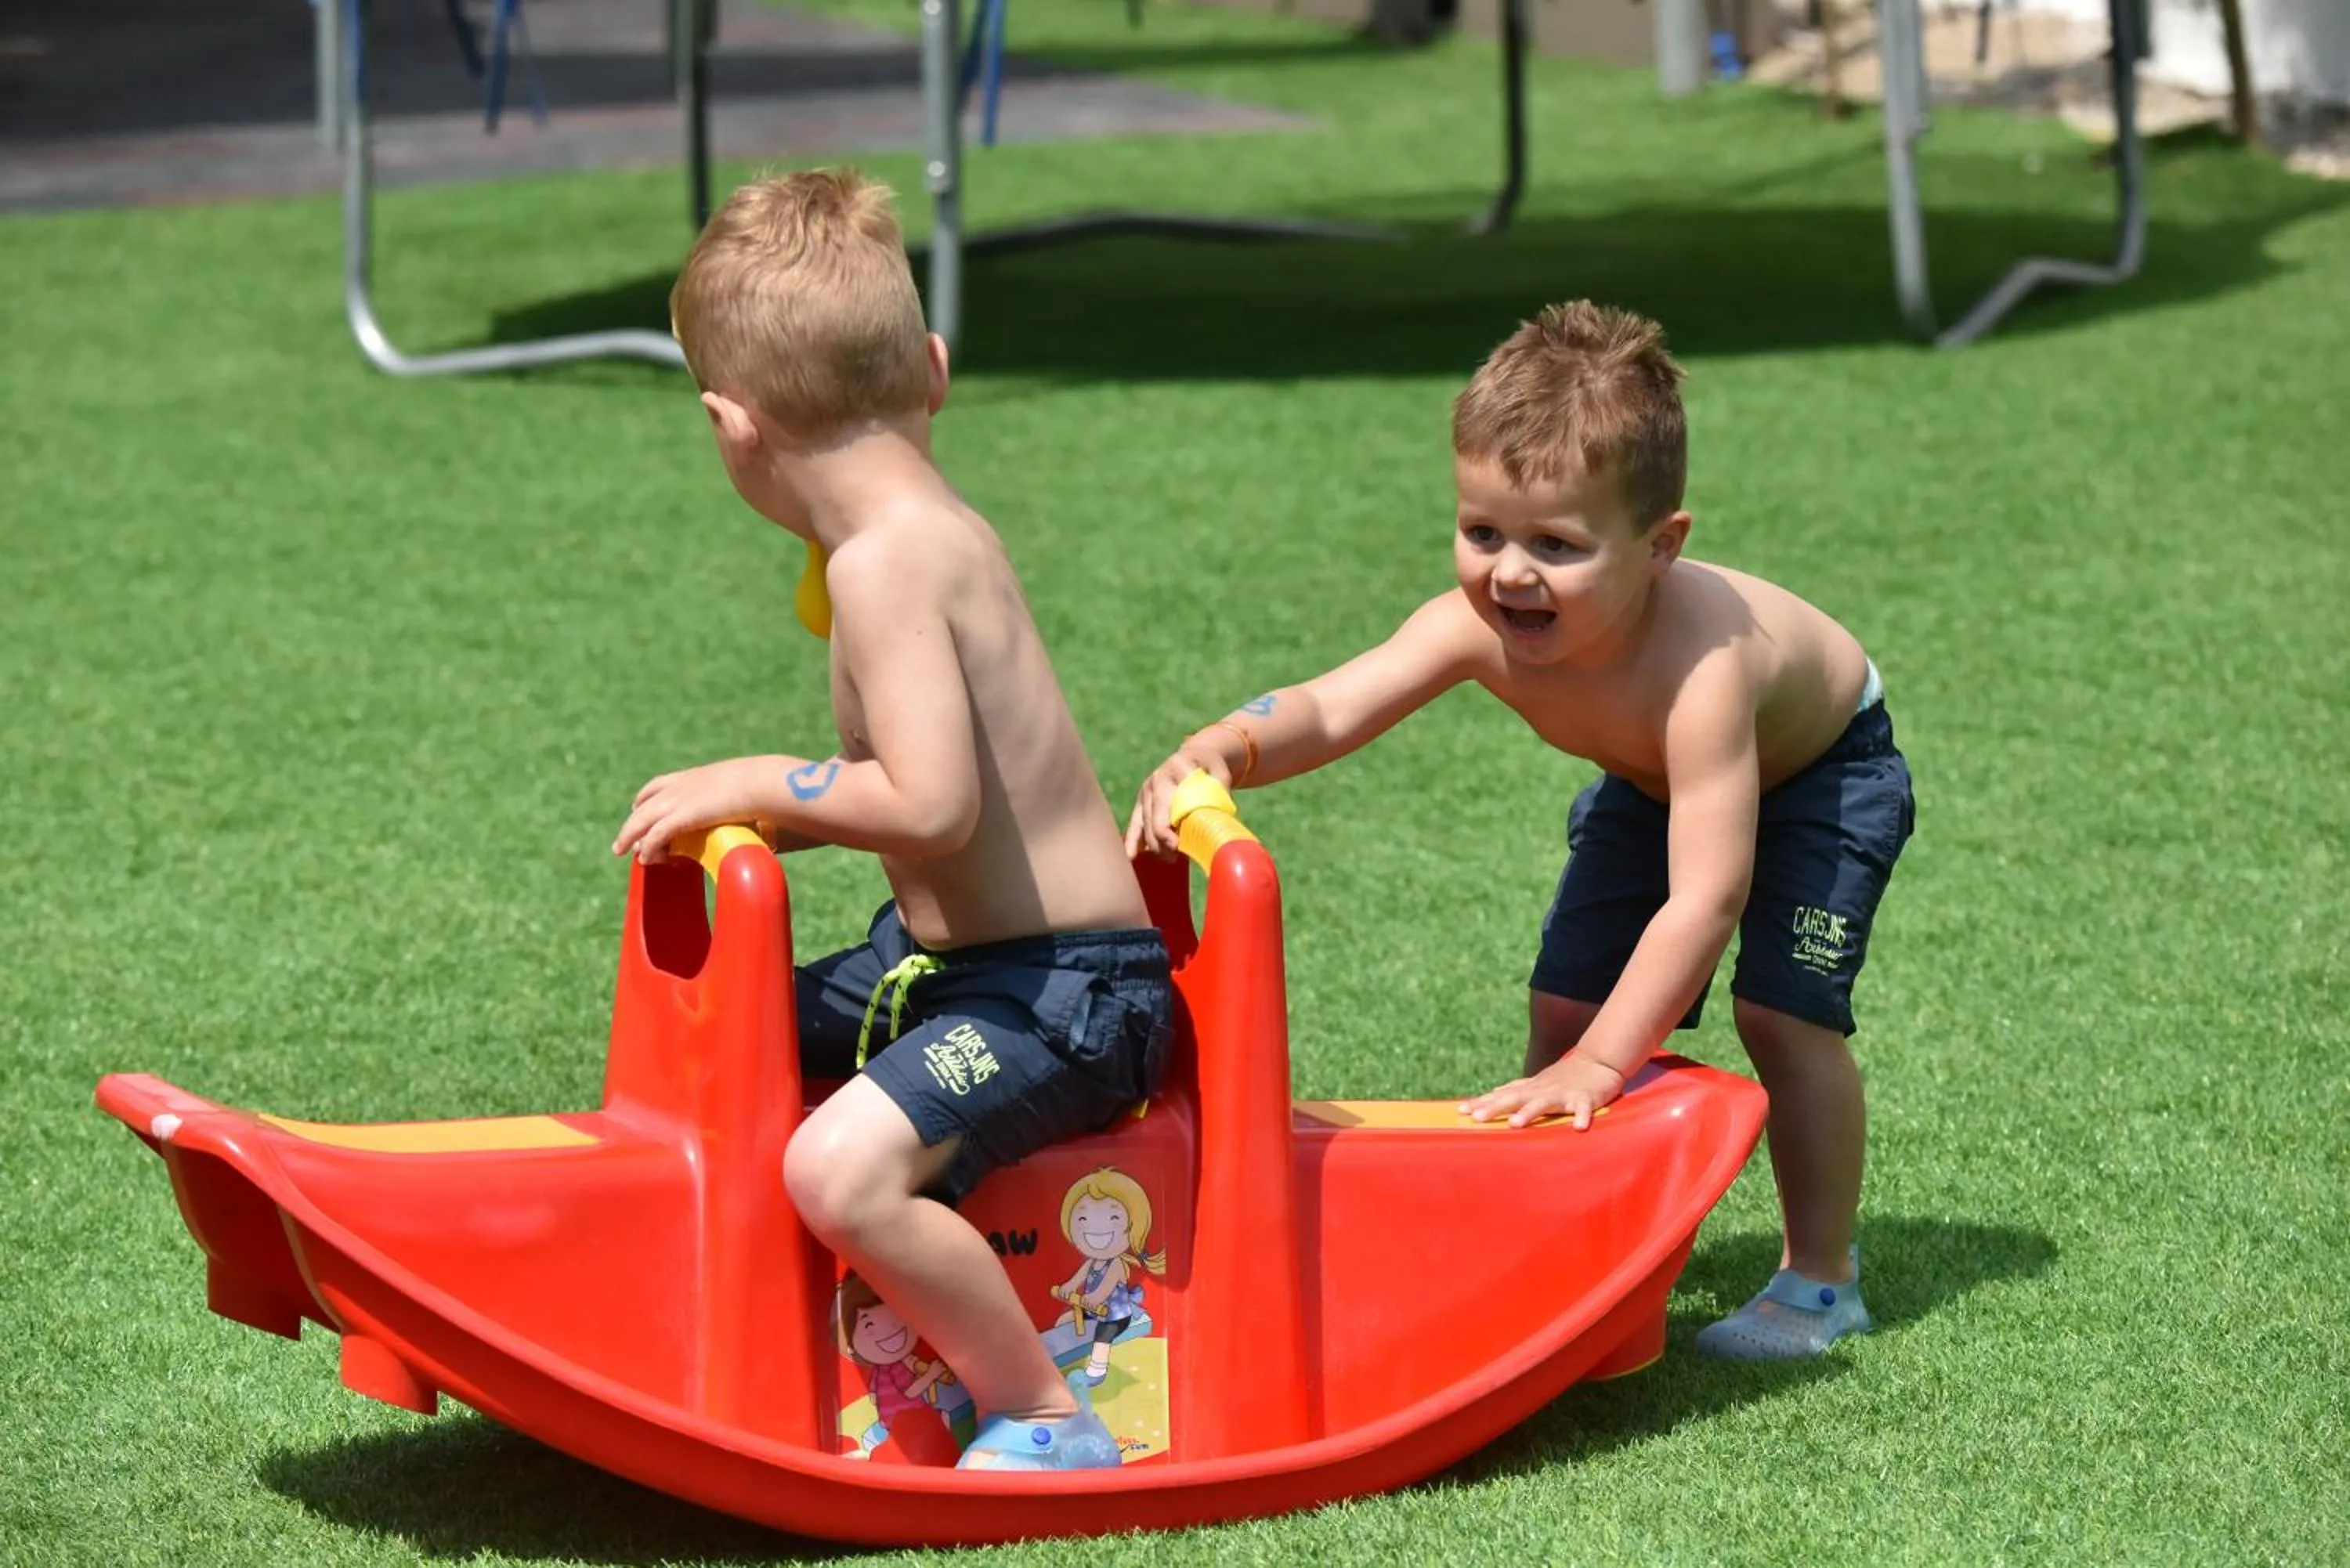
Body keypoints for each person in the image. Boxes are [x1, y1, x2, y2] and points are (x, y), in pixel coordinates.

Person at [1126, 302, 1914, 1360]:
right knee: (1566, 1000)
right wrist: (1228, 744)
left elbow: (1706, 897)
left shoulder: (1702, 672)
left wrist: (1603, 1062)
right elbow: (1334, 703)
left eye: (1557, 545)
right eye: (1482, 533)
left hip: (1823, 774)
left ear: (1661, 546)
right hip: (1652, 782)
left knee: (1781, 1012)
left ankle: (1819, 1279)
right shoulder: (1476, 626)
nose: (1509, 573)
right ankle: (1558, 1231)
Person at [613, 168, 1170, 1462]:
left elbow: (930, 803)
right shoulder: (912, 535)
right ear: (934, 368)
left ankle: (1045, 1410)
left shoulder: (887, 561)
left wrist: (763, 783)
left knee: (837, 1168)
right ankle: (718, 1315)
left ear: (729, 426)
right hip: (947, 964)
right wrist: (779, 811)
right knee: (736, 1031)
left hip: (1067, 993)